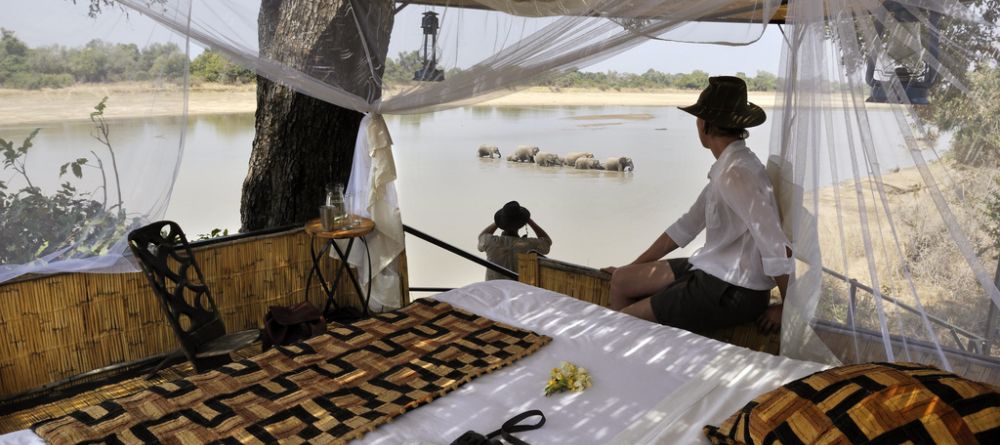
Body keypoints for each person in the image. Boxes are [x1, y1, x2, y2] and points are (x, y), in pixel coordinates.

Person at [603, 76, 792, 335]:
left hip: (733, 289)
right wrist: (633, 266)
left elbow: (775, 244)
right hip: (710, 271)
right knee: (621, 280)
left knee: (622, 321)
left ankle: (634, 350)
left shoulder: (737, 174)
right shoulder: (729, 167)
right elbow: (686, 225)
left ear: (703, 124)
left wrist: (786, 306)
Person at [479, 201, 552, 280]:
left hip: (494, 289)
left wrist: (498, 222)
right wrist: (529, 221)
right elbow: (546, 241)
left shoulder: (491, 242)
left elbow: (482, 236)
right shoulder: (528, 245)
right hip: (518, 290)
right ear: (522, 223)